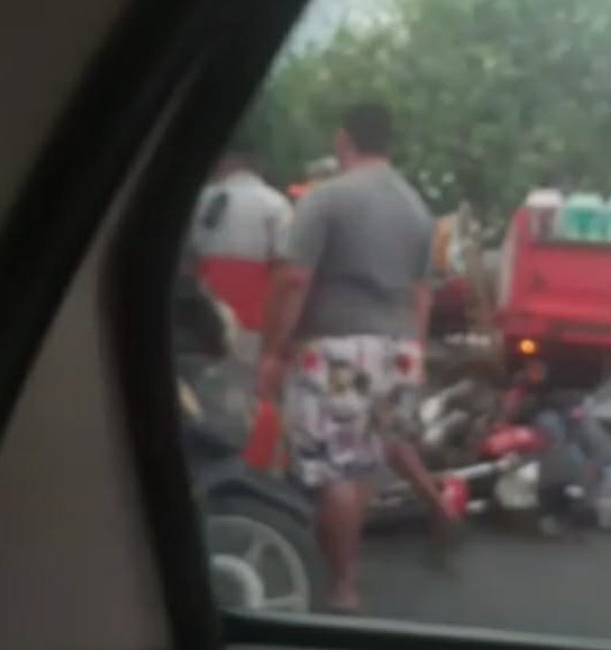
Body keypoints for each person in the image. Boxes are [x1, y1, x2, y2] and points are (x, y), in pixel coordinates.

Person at [257, 101, 456, 613]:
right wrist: (415, 351)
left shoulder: (328, 199)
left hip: (338, 348)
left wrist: (275, 350)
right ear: (388, 144)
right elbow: (423, 293)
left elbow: (295, 278)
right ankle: (342, 568)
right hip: (399, 347)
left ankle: (343, 586)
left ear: (344, 139)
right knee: (363, 463)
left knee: (336, 472)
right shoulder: (417, 210)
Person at [188, 135, 292, 366]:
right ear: (258, 164)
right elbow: (283, 271)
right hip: (254, 325)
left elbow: (189, 261)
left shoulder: (201, 200)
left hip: (205, 322)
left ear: (225, 161)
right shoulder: (276, 205)